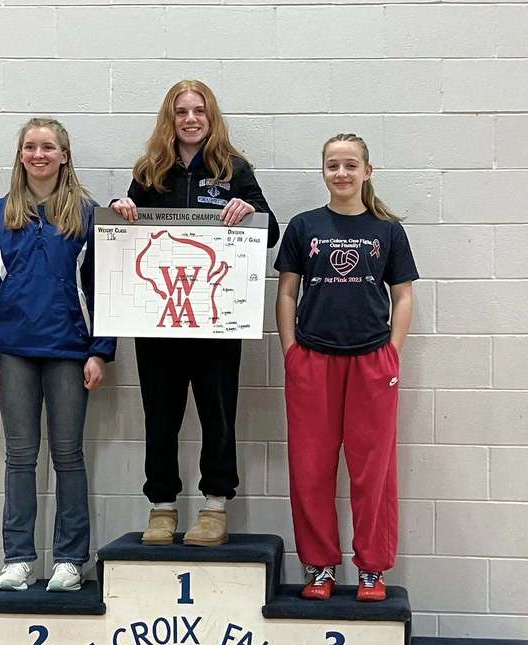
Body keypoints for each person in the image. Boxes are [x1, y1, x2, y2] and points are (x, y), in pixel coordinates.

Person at [112, 80, 279, 547]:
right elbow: (124, 230)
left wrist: (249, 209)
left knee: (218, 413)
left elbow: (269, 233)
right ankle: (161, 507)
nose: (190, 119)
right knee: (159, 415)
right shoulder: (150, 171)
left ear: (211, 117)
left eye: (199, 111)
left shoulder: (234, 168)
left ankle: (214, 506)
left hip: (215, 319)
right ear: (170, 117)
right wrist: (121, 207)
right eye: (181, 111)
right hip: (159, 321)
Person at [0, 117, 115, 592]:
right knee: (20, 457)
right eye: (30, 146)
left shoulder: (87, 215)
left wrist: (101, 351)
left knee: (68, 456)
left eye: (48, 146)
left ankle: (72, 558)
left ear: (64, 155)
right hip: (12, 353)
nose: (39, 154)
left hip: (70, 351)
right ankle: (19, 558)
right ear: (21, 155)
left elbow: (104, 288)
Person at [274, 133, 418, 602]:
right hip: (313, 360)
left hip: (372, 361)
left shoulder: (387, 230)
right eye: (333, 165)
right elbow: (287, 293)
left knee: (372, 470)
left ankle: (372, 569)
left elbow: (403, 296)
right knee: (310, 469)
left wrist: (392, 352)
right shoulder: (303, 226)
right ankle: (319, 566)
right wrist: (291, 350)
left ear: (367, 172)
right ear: (324, 172)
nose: (342, 173)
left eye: (350, 165)